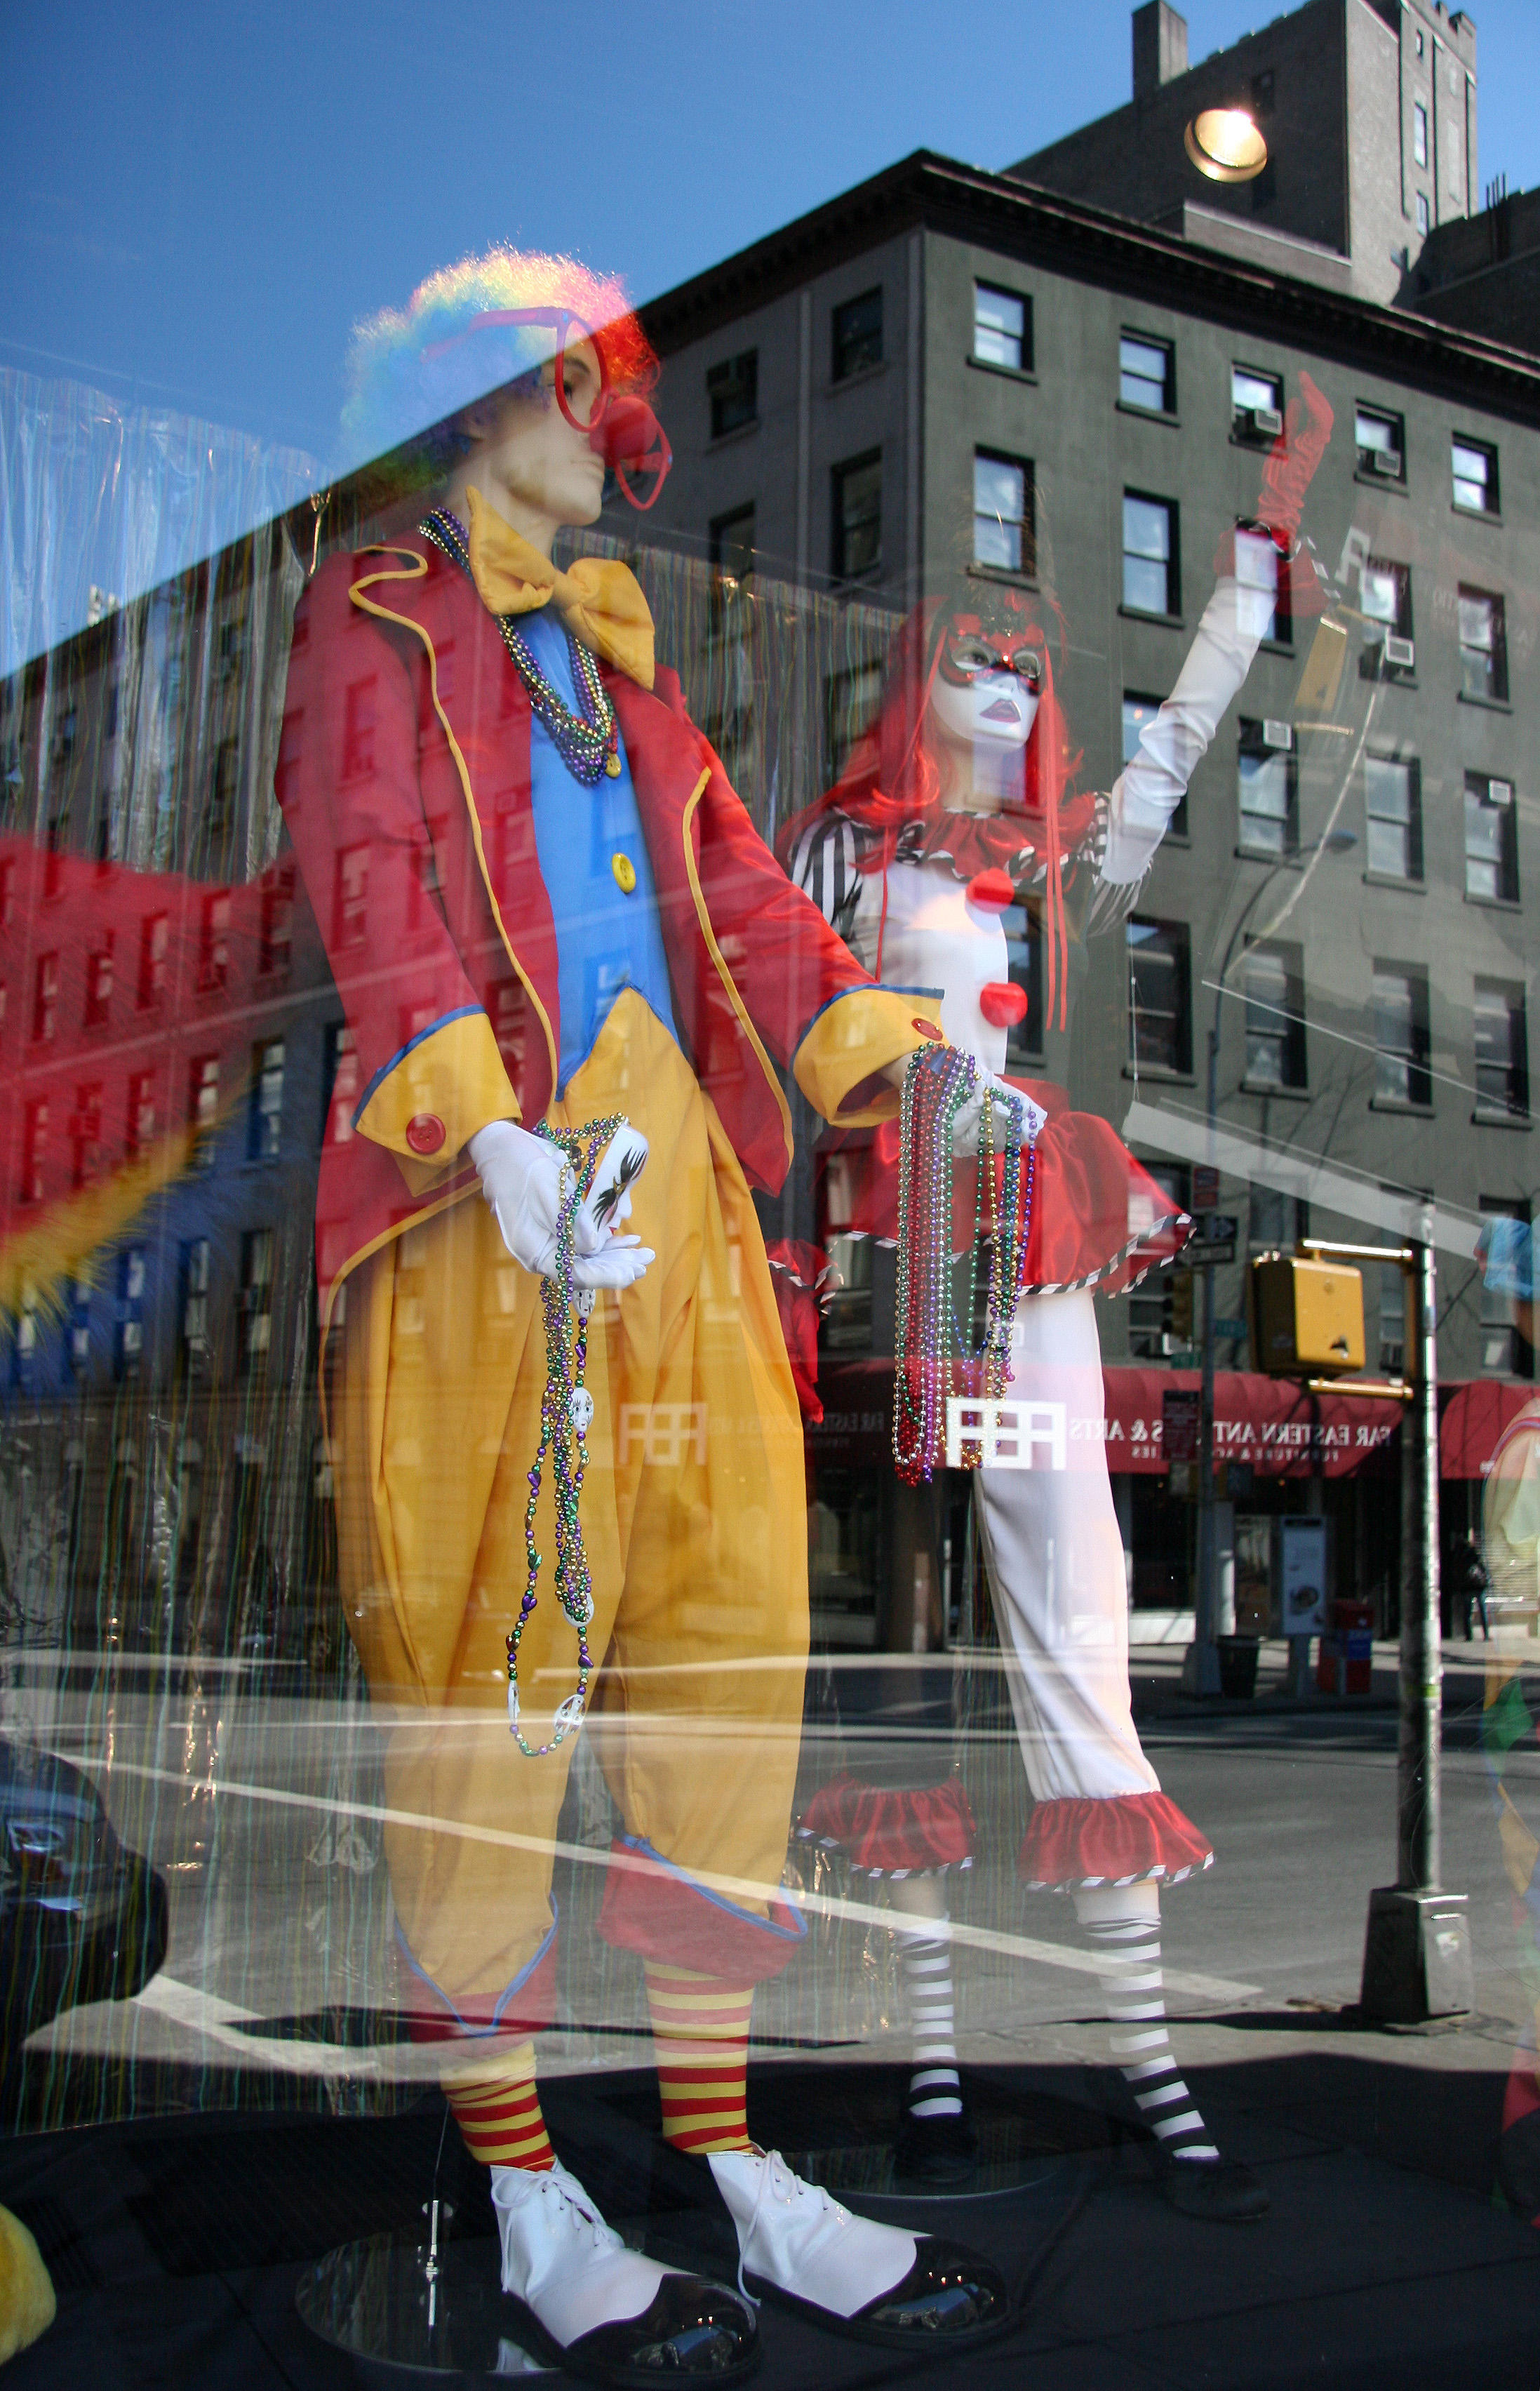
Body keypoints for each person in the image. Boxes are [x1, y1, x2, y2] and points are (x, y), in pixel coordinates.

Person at [279, 248, 1007, 2382]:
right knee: (490, 1672)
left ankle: (735, 2158)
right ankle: (518, 2187)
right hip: (472, 1193)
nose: (618, 424)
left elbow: (756, 919)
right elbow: (368, 863)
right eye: (579, 385)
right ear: (488, 406)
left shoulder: (636, 676)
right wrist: (477, 1131)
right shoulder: (376, 609)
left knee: (716, 1651)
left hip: (672, 1180)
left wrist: (896, 1062)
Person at [778, 378, 1334, 2218]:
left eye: (1025, 670)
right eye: (973, 662)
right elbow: (778, 1041)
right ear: (914, 679)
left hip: (1026, 1238)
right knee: (911, 1637)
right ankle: (933, 2061)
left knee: (1078, 1603)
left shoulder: (1049, 866)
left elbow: (1177, 742)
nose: (1004, 693)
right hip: (896, 1247)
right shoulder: (844, 854)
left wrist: (1255, 567)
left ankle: (1146, 2065)